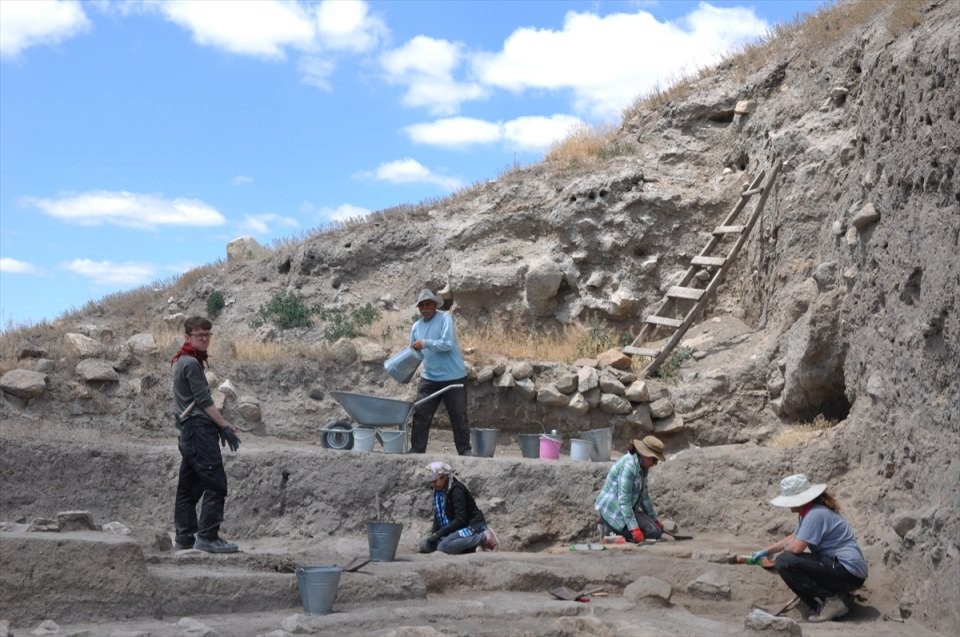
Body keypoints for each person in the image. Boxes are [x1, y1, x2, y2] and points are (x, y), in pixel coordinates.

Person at [751, 474, 868, 622]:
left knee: (784, 562)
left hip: (847, 572)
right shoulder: (810, 512)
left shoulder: (815, 514)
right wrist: (766, 551)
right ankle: (838, 598)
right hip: (846, 570)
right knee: (786, 559)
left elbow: (796, 548)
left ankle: (830, 602)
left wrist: (778, 556)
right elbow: (794, 537)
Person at [171, 316, 242, 554]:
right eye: (199, 335)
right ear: (188, 337)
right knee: (216, 484)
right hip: (199, 431)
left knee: (189, 487)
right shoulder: (191, 363)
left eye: (207, 335)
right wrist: (223, 425)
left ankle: (184, 537)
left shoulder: (185, 360)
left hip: (189, 432)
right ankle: (208, 537)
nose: (204, 339)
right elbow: (203, 400)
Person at [408, 289, 471, 455]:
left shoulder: (445, 318)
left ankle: (464, 450)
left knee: (458, 415)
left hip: (454, 376)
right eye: (422, 305)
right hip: (429, 377)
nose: (425, 308)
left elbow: (447, 344)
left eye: (428, 304)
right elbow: (415, 352)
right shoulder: (416, 326)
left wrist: (425, 343)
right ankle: (417, 450)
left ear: (435, 305)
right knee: (421, 413)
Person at [594, 435, 667, 542]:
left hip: (628, 509)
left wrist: (654, 519)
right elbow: (624, 501)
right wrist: (634, 529)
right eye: (654, 460)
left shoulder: (642, 467)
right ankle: (609, 531)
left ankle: (620, 532)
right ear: (645, 455)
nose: (655, 464)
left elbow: (644, 498)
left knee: (656, 530)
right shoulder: (628, 467)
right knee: (652, 532)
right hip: (615, 511)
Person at [418, 461, 498, 554]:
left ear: (444, 477)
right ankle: (471, 548)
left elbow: (460, 520)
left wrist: (438, 534)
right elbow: (438, 515)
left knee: (443, 547)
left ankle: (483, 537)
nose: (433, 485)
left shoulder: (457, 490)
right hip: (452, 530)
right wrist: (435, 534)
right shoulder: (439, 491)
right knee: (425, 544)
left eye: (435, 481)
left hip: (470, 527)